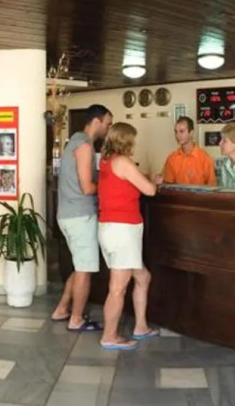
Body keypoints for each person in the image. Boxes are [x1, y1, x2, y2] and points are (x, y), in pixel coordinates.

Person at [51, 104, 112, 332]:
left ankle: (62, 308)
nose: (108, 129)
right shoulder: (85, 146)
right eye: (107, 124)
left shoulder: (75, 141)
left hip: (69, 214)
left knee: (80, 266)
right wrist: (111, 185)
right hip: (80, 216)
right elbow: (87, 187)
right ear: (96, 122)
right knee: (85, 269)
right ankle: (76, 319)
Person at [96, 122, 157, 350]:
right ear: (127, 141)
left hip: (110, 229)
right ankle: (109, 336)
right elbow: (149, 190)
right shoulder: (123, 162)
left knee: (143, 277)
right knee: (118, 288)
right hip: (122, 231)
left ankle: (141, 326)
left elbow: (125, 182)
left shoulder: (106, 161)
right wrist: (154, 181)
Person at [156, 116, 216, 186]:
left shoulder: (205, 158)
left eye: (181, 131)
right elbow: (167, 185)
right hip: (177, 193)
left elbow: (212, 187)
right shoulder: (172, 158)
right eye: (176, 132)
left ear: (191, 133)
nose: (177, 135)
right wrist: (160, 181)